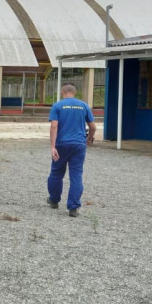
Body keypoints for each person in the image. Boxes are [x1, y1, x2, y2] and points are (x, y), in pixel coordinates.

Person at [47, 83, 96, 217]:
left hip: (62, 144)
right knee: (76, 175)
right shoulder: (84, 106)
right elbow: (92, 126)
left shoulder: (57, 106)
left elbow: (54, 127)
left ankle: (54, 200)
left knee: (56, 172)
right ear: (75, 92)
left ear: (63, 92)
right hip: (79, 145)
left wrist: (52, 146)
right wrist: (89, 139)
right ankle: (73, 207)